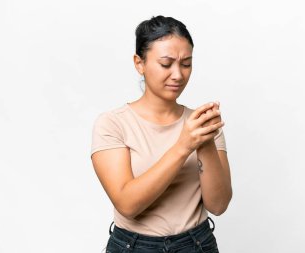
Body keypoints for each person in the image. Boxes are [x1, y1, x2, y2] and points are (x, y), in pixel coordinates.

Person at [90, 15, 232, 253]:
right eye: (166, 64)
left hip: (197, 244)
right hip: (134, 246)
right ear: (139, 63)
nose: (178, 74)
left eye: (186, 64)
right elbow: (127, 204)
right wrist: (184, 146)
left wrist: (204, 143)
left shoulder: (201, 124)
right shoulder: (113, 124)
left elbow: (218, 205)